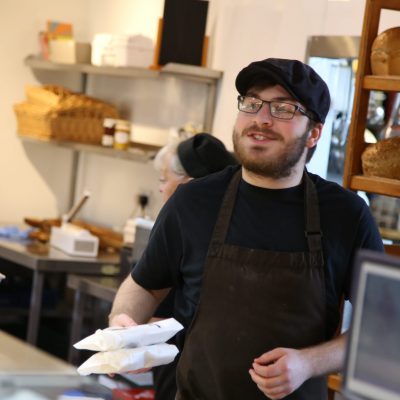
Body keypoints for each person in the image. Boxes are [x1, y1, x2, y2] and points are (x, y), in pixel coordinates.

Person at [109, 58, 384, 400]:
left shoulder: (346, 215)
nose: (261, 119)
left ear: (314, 133)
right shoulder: (193, 201)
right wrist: (123, 325)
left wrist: (309, 363)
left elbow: (382, 327)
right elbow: (145, 286)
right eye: (252, 103)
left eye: (283, 108)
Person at [112, 133, 238, 400]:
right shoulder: (181, 221)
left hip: (185, 366)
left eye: (163, 179)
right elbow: (145, 286)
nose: (160, 188)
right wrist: (123, 321)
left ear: (190, 184)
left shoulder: (197, 222)